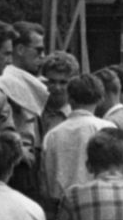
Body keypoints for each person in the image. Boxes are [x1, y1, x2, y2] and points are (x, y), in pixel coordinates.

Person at [41, 72, 115, 209]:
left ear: (70, 99)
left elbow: (45, 182)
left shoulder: (52, 135)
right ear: (100, 99)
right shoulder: (108, 129)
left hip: (61, 205)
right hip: (100, 202)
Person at [0, 21, 49, 203]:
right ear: (20, 49)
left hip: (26, 163)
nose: (42, 56)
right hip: (13, 164)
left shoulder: (25, 83)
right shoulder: (2, 82)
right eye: (38, 50)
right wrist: (18, 150)